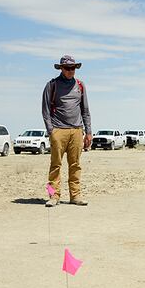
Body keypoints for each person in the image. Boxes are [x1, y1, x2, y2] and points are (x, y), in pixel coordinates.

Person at [42, 55, 92, 207]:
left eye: (73, 68)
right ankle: (52, 195)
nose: (71, 71)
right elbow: (45, 110)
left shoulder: (80, 85)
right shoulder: (52, 85)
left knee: (75, 164)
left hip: (76, 130)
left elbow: (85, 110)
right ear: (61, 68)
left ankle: (75, 196)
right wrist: (51, 131)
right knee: (55, 165)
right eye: (68, 68)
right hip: (58, 130)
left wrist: (88, 132)